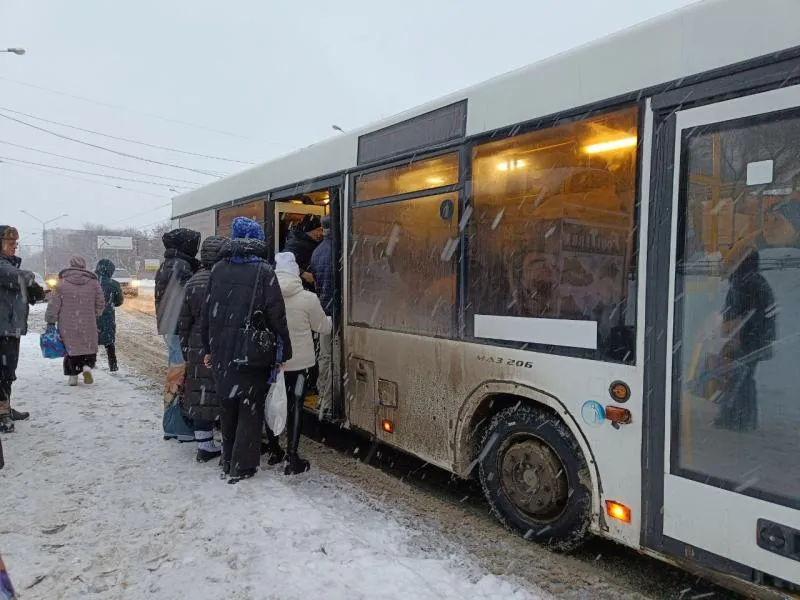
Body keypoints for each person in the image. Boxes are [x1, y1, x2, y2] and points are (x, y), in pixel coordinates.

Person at [202, 217, 292, 482]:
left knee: (228, 405)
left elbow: (208, 313)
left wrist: (209, 347)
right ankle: (242, 466)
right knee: (249, 409)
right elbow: (277, 315)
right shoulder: (264, 272)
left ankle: (227, 458)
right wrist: (284, 351)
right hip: (251, 353)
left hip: (222, 351)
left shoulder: (218, 269)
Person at [274, 252, 331, 474]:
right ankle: (292, 456)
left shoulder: (266, 295)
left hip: (275, 363)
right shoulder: (308, 298)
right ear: (296, 272)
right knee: (295, 404)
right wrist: (333, 319)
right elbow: (323, 328)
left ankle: (274, 449)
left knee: (274, 402)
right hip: (299, 366)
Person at [716, 246, 775, 431]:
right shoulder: (755, 281)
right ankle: (742, 418)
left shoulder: (744, 283)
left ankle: (736, 418)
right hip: (755, 339)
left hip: (745, 339)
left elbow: (738, 316)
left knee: (738, 377)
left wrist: (733, 338)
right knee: (744, 377)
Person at [179, 235, 227, 463]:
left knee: (200, 396)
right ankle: (227, 445)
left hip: (197, 347)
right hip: (217, 344)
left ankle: (204, 445)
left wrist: (187, 347)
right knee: (222, 394)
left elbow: (183, 321)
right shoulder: (223, 280)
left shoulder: (193, 282)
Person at [0, 225, 44, 433]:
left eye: (15, 243)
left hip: (9, 327)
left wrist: (34, 294)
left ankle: (5, 407)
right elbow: (15, 276)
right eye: (10, 243)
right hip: (2, 328)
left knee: (8, 372)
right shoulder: (3, 266)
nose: (14, 247)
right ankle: (2, 415)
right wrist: (31, 280)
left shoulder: (9, 264)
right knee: (1, 373)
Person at [154, 228, 200, 410]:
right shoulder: (180, 265)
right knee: (179, 368)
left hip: (170, 323)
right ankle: (174, 410)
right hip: (177, 324)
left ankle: (173, 406)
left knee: (175, 364)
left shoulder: (171, 262)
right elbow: (192, 293)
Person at [45, 256, 105, 386]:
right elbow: (100, 302)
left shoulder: (61, 283)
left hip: (67, 323)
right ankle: (87, 367)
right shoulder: (94, 283)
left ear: (70, 265)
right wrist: (95, 313)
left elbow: (53, 304)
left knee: (71, 348)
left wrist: (51, 320)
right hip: (88, 321)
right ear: (84, 266)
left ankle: (72, 375)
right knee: (88, 346)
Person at [308, 215, 334, 419]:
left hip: (323, 310)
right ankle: (330, 400)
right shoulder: (340, 248)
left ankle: (323, 398)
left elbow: (315, 280)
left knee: (325, 356)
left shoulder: (316, 252)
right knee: (335, 356)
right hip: (338, 312)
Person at [95, 259, 123, 372]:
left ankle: (91, 363)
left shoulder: (90, 283)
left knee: (92, 340)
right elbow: (119, 301)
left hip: (91, 317)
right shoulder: (114, 284)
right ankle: (113, 365)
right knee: (109, 342)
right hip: (107, 317)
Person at [284, 214, 323, 286]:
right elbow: (284, 262)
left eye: (321, 230)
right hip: (299, 286)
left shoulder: (316, 242)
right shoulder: (295, 244)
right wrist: (303, 273)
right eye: (317, 230)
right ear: (308, 231)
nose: (320, 234)